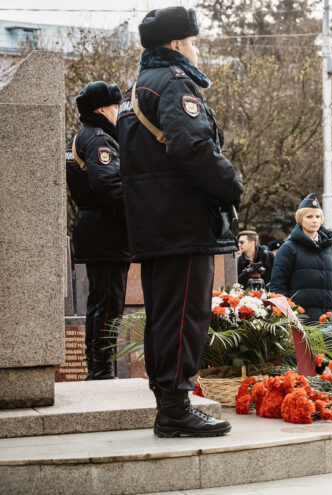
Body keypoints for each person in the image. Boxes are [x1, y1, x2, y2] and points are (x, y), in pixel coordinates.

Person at [119, 6, 243, 437]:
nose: (195, 49)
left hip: (154, 224)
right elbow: (192, 146)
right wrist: (231, 184)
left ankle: (169, 405)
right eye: (192, 41)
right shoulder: (174, 84)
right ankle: (175, 410)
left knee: (164, 316)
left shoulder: (134, 92)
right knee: (184, 317)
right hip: (182, 224)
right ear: (175, 45)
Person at [66, 81, 130, 380]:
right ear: (102, 109)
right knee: (108, 304)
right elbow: (107, 184)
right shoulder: (100, 139)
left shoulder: (83, 137)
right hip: (105, 229)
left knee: (101, 301)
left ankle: (98, 365)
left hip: (96, 227)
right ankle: (101, 368)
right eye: (116, 106)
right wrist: (137, 210)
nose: (120, 112)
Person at [271, 194, 332, 323]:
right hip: (301, 322)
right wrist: (288, 319)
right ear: (300, 220)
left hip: (330, 323)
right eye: (309, 216)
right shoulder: (288, 249)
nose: (314, 220)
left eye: (318, 216)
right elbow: (278, 288)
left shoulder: (330, 249)